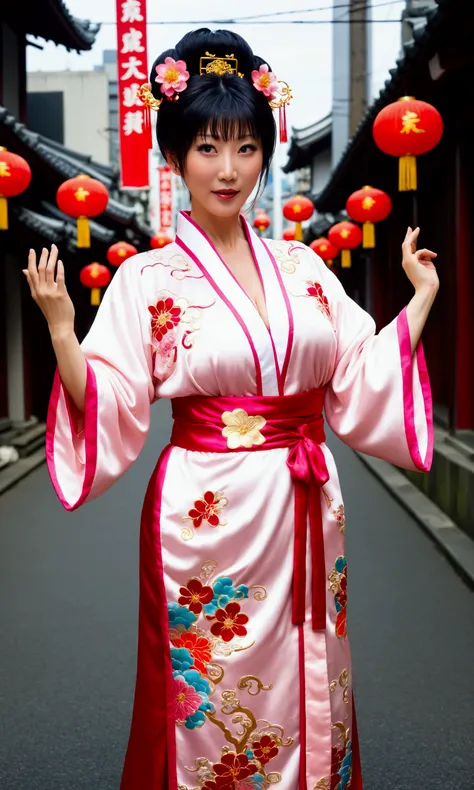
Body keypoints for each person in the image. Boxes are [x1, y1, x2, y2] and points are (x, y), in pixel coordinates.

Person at [23, 28, 438, 790]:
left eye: (246, 148)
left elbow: (356, 368)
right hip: (207, 513)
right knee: (217, 693)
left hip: (309, 501)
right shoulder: (146, 278)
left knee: (318, 664)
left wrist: (419, 301)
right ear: (175, 155)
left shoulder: (302, 265)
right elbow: (113, 396)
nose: (228, 169)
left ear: (264, 153)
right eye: (208, 148)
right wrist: (59, 329)